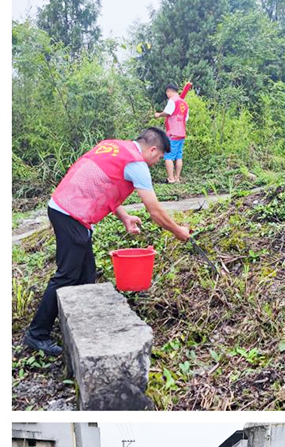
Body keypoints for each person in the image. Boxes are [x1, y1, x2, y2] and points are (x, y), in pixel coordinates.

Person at [23, 128, 192, 358]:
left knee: (86, 275)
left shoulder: (114, 146)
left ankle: (79, 324)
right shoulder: (137, 164)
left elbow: (102, 184)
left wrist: (124, 217)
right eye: (160, 157)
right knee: (67, 275)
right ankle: (37, 333)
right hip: (71, 214)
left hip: (67, 210)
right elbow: (154, 210)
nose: (157, 162)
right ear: (153, 149)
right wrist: (177, 231)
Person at [154, 82, 192, 184]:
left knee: (168, 156)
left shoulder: (172, 101)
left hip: (172, 133)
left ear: (169, 91)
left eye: (167, 93)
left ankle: (171, 178)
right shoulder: (184, 103)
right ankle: (177, 178)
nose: (167, 95)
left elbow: (167, 112)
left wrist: (158, 114)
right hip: (182, 133)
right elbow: (186, 119)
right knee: (179, 156)